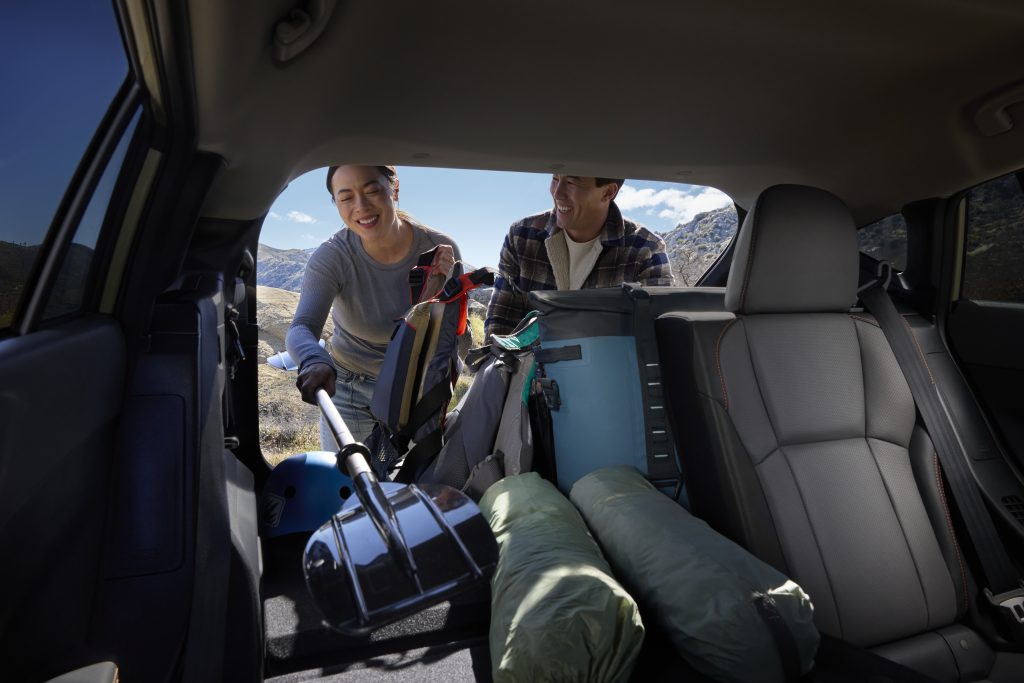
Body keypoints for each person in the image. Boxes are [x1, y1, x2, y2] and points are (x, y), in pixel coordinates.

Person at [286, 165, 460, 449]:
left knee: (411, 474)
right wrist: (314, 359)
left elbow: (453, 336)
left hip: (415, 387)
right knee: (351, 475)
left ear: (394, 189)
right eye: (346, 198)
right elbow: (302, 326)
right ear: (336, 203)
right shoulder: (333, 257)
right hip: (350, 388)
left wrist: (444, 289)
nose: (361, 206)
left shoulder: (439, 250)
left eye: (372, 191)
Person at [485, 175, 674, 338]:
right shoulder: (521, 236)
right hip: (530, 367)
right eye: (555, 179)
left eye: (571, 182)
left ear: (608, 192)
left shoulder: (646, 249)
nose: (557, 193)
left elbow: (656, 340)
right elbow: (500, 324)